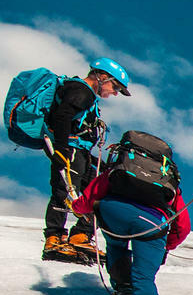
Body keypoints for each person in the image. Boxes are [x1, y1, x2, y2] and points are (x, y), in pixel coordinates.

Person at [70, 135, 190, 295]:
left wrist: (76, 207)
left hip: (114, 212)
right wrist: (166, 245)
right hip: (152, 222)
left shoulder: (119, 169)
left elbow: (89, 198)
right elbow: (183, 226)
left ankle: (123, 288)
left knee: (115, 244)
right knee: (144, 277)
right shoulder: (168, 181)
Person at [39, 59, 129, 263]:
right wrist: (61, 150)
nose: (115, 93)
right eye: (115, 87)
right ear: (103, 77)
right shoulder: (82, 91)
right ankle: (54, 240)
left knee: (104, 187)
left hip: (78, 151)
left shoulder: (82, 92)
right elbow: (63, 116)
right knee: (64, 192)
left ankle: (80, 235)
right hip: (70, 148)